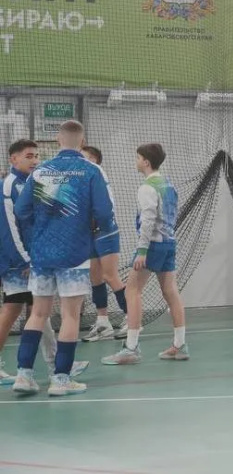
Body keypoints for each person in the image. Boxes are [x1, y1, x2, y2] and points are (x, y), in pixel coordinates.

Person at [11, 121, 115, 396]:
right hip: (75, 254)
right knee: (70, 315)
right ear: (82, 142)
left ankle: (24, 375)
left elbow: (21, 211)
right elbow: (105, 213)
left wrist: (38, 234)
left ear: (58, 140)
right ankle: (61, 379)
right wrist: (92, 228)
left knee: (38, 313)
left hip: (42, 253)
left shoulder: (42, 171)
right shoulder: (91, 171)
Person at [102, 144, 187, 365]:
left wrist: (142, 251)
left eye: (138, 158)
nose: (136, 161)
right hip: (169, 243)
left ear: (146, 162)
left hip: (152, 246)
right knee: (171, 292)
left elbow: (148, 220)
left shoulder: (147, 187)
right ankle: (180, 345)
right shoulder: (168, 184)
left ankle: (131, 348)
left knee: (132, 291)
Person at [80, 145, 129, 343]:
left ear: (94, 160)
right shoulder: (82, 177)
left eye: (84, 157)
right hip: (90, 233)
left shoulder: (97, 173)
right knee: (95, 278)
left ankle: (131, 317)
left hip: (106, 231)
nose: (80, 161)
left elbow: (104, 207)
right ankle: (103, 323)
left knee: (110, 275)